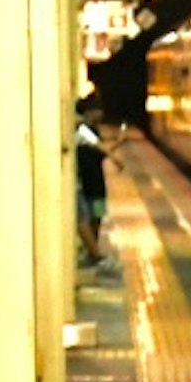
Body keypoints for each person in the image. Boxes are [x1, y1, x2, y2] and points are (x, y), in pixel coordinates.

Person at [74, 111, 109, 271]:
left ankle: (93, 253)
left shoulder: (80, 130)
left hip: (86, 183)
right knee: (85, 218)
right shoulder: (82, 130)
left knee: (87, 217)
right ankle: (94, 254)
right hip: (90, 184)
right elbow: (101, 148)